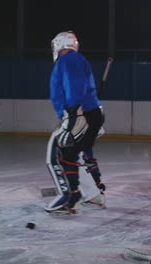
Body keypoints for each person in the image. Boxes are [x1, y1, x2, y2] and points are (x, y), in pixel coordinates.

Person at [44, 31, 106, 214]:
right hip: (85, 113)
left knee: (56, 154)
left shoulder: (68, 60)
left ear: (59, 44)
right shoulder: (75, 59)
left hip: (78, 114)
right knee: (73, 154)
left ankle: (69, 198)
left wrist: (73, 112)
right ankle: (92, 194)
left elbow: (75, 84)